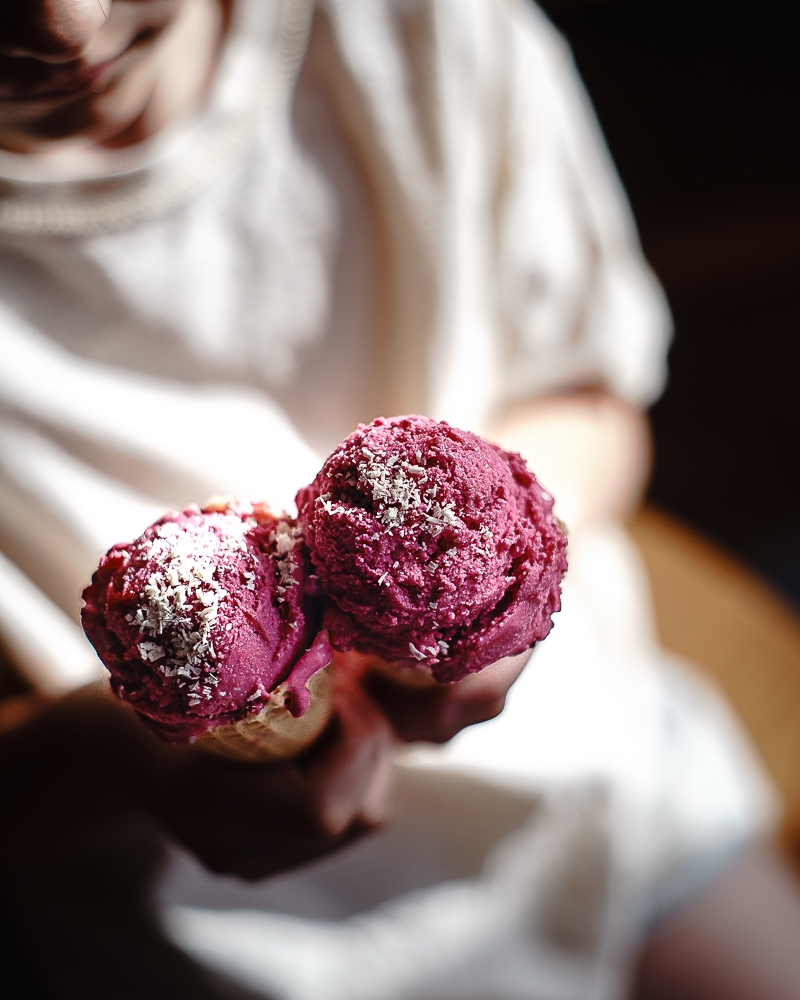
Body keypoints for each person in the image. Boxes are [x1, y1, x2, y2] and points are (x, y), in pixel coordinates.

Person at [1, 1, 799, 998]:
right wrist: (100, 752)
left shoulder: (420, 32)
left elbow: (594, 402)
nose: (66, 25)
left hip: (601, 800)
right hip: (221, 958)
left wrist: (504, 588)